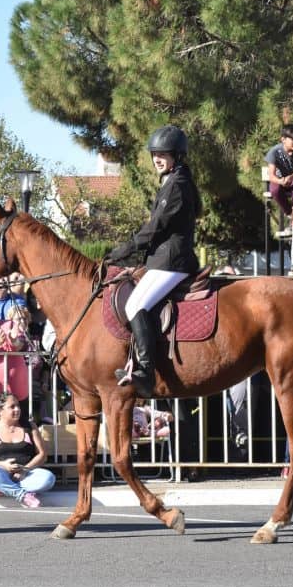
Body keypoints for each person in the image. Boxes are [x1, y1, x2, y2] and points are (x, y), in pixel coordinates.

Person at [104, 125, 200, 396]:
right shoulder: (173, 181)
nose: (157, 159)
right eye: (155, 154)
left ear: (177, 156)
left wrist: (125, 249)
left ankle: (145, 370)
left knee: (135, 304)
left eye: (163, 154)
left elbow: (156, 227)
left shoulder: (177, 185)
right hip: (164, 259)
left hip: (172, 261)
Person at [0, 394, 55, 508]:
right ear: (0, 411)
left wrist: (24, 470)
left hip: (25, 475)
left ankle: (1, 488)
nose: (17, 409)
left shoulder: (30, 426)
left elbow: (42, 455)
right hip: (1, 474)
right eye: (12, 407)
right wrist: (3, 465)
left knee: (48, 478)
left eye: (18, 406)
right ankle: (23, 496)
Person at [265, 124, 293, 215]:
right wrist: (280, 181)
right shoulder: (274, 152)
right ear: (283, 139)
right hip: (278, 179)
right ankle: (288, 212)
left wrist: (290, 177)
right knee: (275, 190)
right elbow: (271, 175)